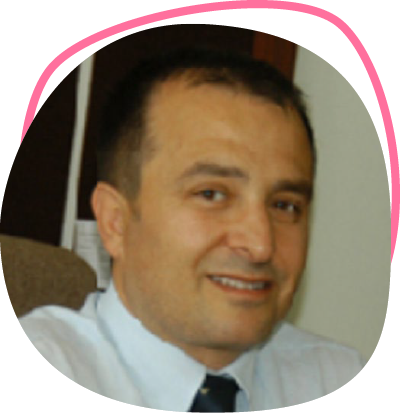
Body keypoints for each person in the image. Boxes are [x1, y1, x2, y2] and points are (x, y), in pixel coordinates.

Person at [19, 48, 364, 411]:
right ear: (115, 222)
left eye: (284, 205)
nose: (261, 244)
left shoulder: (338, 381)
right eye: (211, 194)